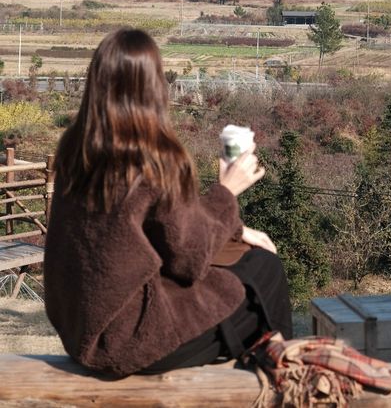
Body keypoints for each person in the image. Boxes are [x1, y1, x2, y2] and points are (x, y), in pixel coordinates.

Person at [44, 27, 292, 378]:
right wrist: (227, 190)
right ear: (154, 86)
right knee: (263, 269)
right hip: (130, 339)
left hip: (81, 331)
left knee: (242, 276)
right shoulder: (152, 157)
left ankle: (272, 365)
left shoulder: (76, 148)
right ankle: (285, 381)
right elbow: (189, 259)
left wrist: (235, 228)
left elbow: (149, 237)